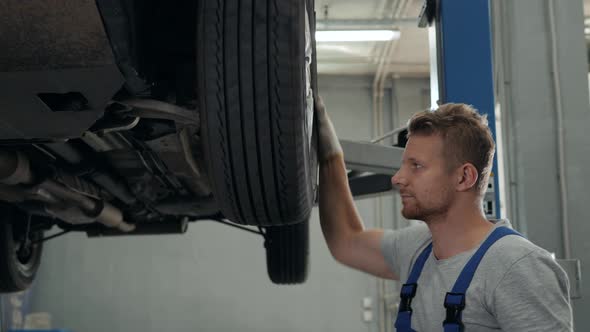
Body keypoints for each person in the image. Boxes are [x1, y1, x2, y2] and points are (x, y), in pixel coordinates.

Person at [315, 97, 573, 331]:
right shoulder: (416, 250)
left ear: (464, 177)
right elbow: (346, 240)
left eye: (416, 166)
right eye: (403, 165)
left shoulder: (516, 267)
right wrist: (329, 154)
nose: (397, 178)